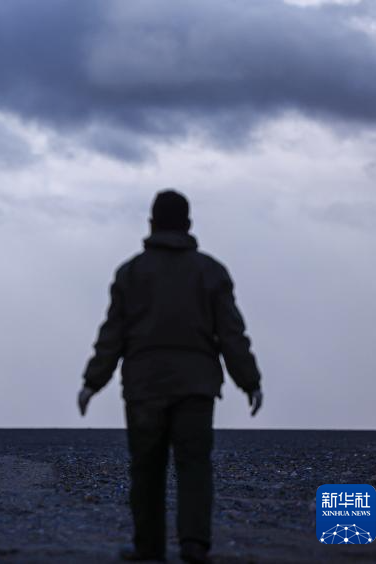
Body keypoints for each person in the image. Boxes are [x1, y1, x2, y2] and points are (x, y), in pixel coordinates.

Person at [77, 189, 263, 564]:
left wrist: (92, 382)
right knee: (194, 466)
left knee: (146, 467)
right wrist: (249, 380)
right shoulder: (211, 271)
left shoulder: (130, 273)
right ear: (188, 224)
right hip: (196, 386)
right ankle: (194, 545)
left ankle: (149, 548)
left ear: (151, 224)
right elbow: (231, 333)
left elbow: (112, 335)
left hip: (144, 387)